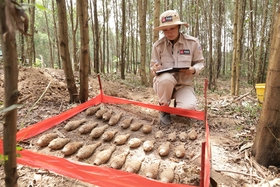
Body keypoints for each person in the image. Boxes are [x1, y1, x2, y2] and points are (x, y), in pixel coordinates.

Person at [150, 10, 204, 125]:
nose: (169, 32)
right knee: (166, 79)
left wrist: (193, 70)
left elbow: (200, 63)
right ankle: (164, 109)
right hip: (164, 84)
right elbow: (152, 66)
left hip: (183, 85)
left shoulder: (193, 43)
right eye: (165, 30)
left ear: (179, 27)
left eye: (172, 28)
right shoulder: (158, 46)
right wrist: (155, 69)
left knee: (187, 109)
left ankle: (178, 105)